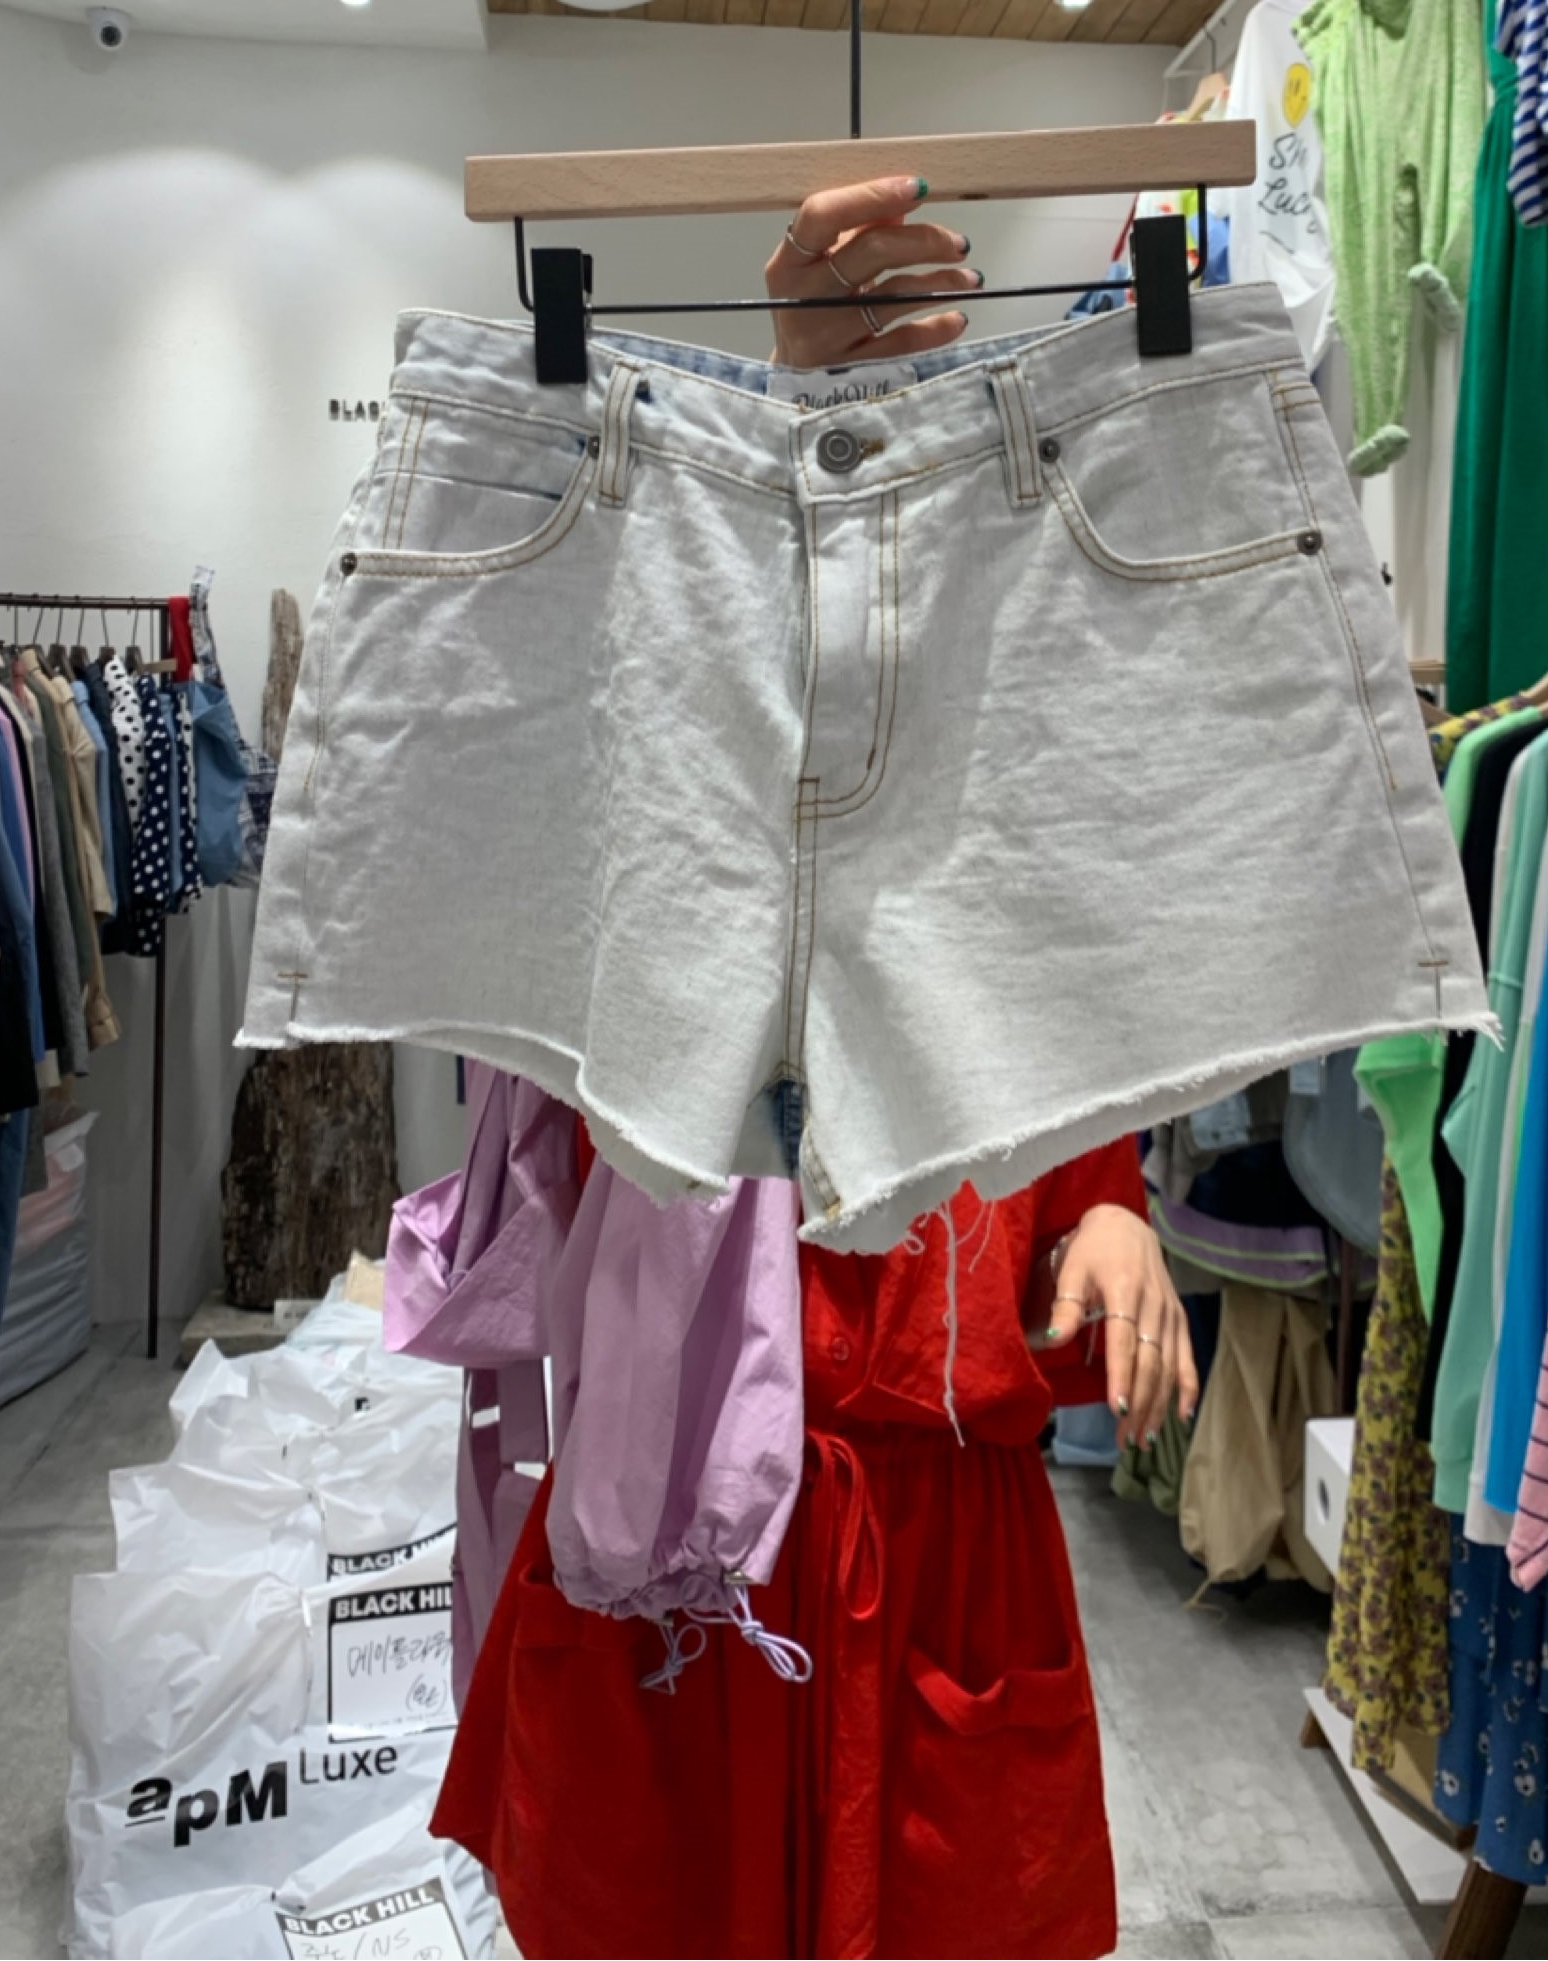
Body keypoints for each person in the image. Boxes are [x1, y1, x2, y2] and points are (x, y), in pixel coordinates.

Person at [432, 180, 1201, 1960]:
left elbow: (1053, 970)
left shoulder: (1012, 688)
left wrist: (1109, 1196)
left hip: (944, 1516)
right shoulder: (664, 663)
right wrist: (784, 415)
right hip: (675, 1479)